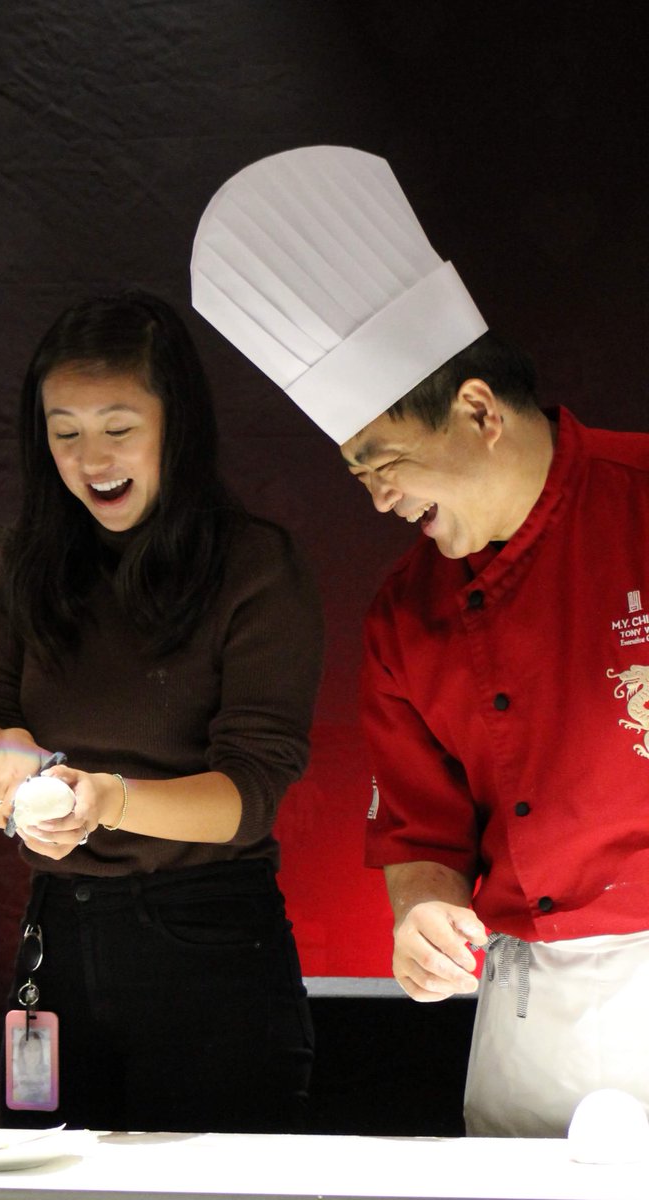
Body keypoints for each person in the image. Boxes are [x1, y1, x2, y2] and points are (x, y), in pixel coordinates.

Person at [190, 144, 649, 1138]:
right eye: (358, 472)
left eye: (383, 458)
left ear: (479, 411)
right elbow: (421, 831)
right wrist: (420, 915)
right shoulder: (406, 618)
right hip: (537, 1020)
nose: (379, 495)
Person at [0, 290, 323, 1133]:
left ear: (176, 424)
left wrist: (108, 800)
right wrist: (6, 768)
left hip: (210, 948)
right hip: (60, 936)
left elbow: (251, 788)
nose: (91, 457)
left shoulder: (254, 565)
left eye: (119, 428)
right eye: (65, 431)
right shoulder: (32, 556)